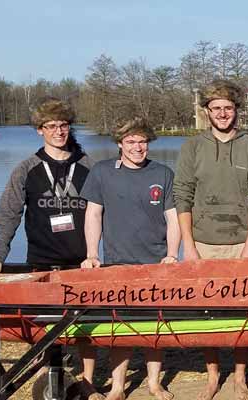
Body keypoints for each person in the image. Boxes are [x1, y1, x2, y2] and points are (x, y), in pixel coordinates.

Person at [0, 98, 102, 398]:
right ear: (40, 130)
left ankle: (87, 381)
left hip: (82, 261)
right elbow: (8, 213)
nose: (59, 132)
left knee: (85, 324)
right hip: (42, 260)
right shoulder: (27, 169)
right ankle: (50, 372)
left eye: (63, 126)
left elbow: (104, 212)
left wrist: (99, 254)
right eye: (51, 127)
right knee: (46, 323)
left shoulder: (89, 167)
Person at [173, 79, 248, 400]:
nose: (223, 113)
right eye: (216, 108)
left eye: (228, 108)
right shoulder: (193, 147)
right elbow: (183, 196)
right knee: (208, 314)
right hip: (202, 241)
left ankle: (240, 375)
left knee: (243, 312)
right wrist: (188, 245)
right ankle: (213, 375)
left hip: (240, 241)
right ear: (207, 112)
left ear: (236, 111)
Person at [78, 118, 179, 400]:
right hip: (117, 262)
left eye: (142, 142)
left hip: (155, 262)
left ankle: (154, 383)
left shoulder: (163, 173)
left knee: (154, 328)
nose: (138, 147)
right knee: (119, 328)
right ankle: (119, 387)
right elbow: (93, 215)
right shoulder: (101, 172)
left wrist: (172, 254)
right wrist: (91, 254)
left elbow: (173, 219)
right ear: (120, 144)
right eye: (131, 142)